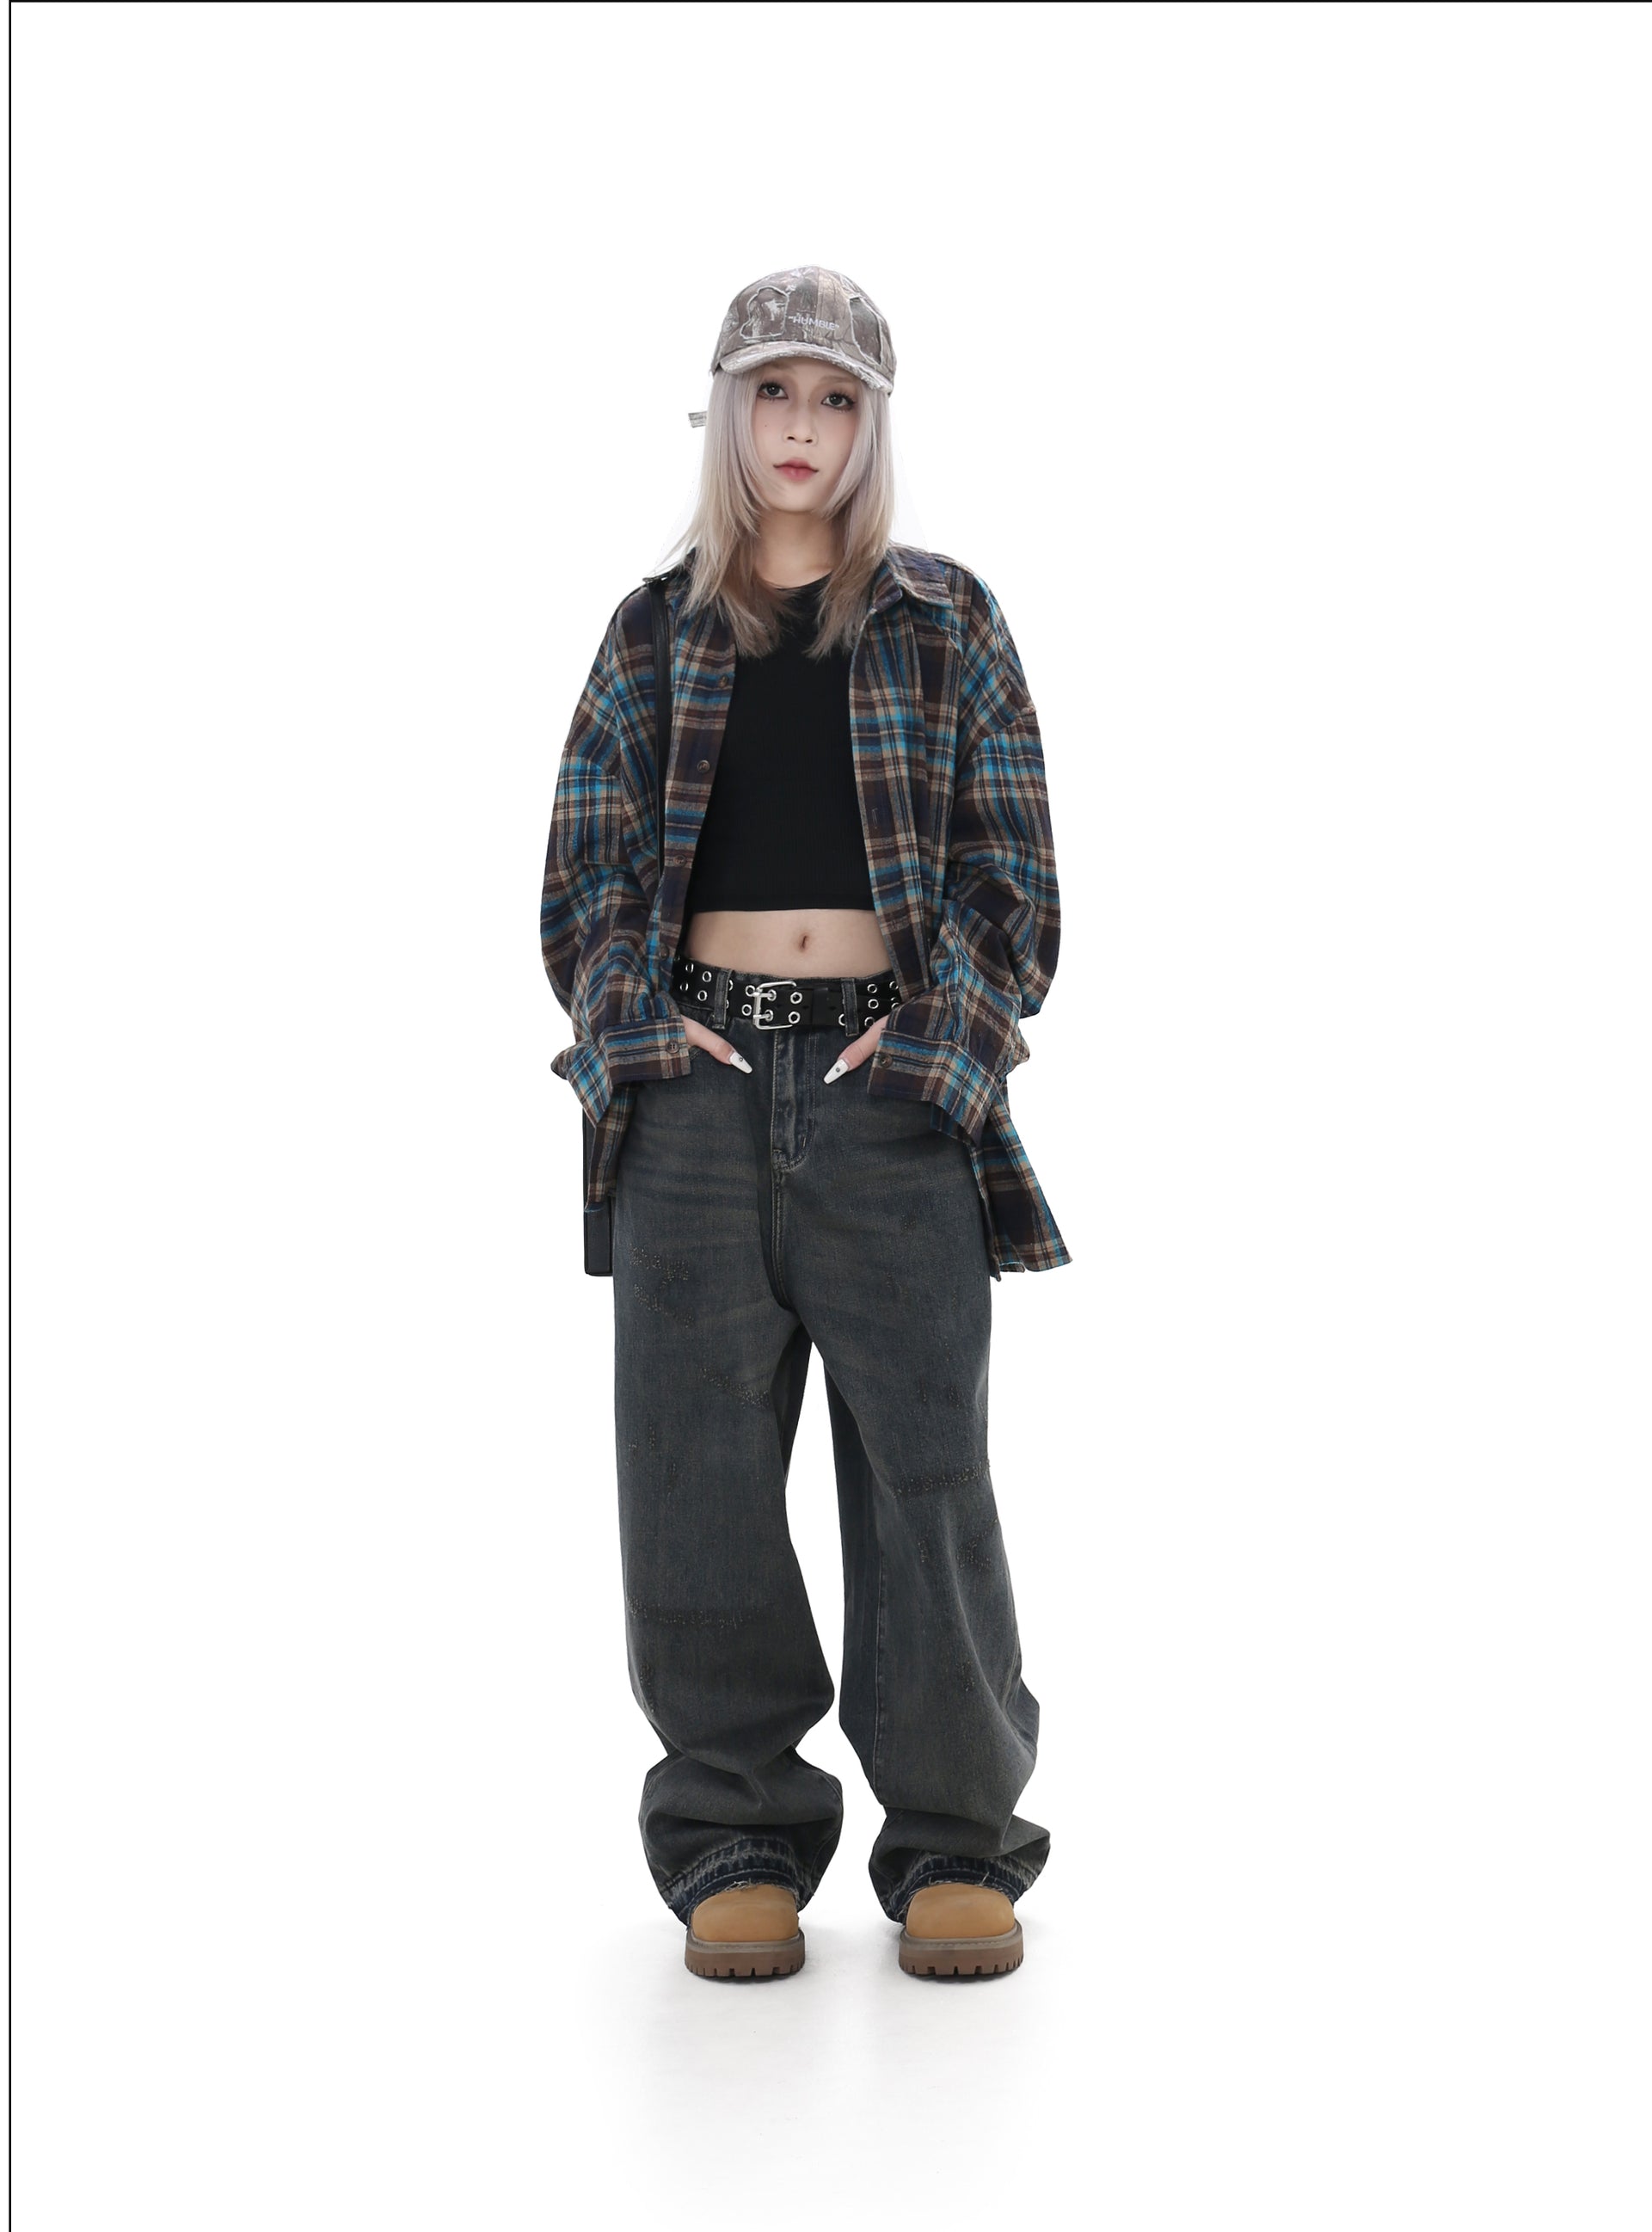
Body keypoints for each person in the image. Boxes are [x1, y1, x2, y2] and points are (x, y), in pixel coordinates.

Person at [540, 266, 1069, 1982]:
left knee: (924, 1474)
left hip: (889, 1093)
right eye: (774, 391)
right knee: (692, 1475)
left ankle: (955, 1839)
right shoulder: (652, 630)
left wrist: (941, 1039)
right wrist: (641, 1031)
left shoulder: (945, 620)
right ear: (726, 407)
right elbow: (585, 875)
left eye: (836, 400)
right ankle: (734, 1832)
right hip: (690, 1104)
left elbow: (1011, 876)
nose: (802, 428)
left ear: (871, 424)